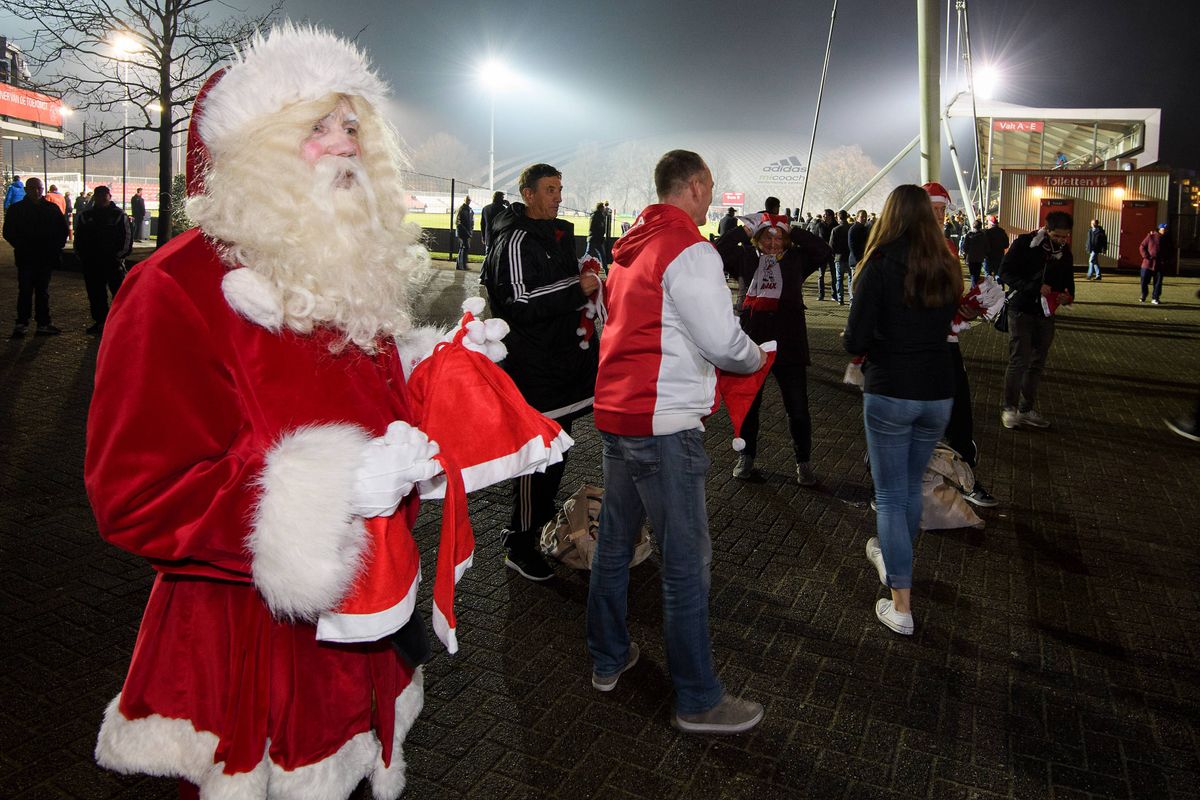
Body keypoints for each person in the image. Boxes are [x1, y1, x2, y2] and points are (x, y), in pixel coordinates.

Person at [84, 25, 484, 798]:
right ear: (256, 151)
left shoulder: (338, 271)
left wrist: (447, 375)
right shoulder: (174, 287)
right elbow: (137, 494)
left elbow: (372, 419)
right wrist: (324, 493)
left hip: (366, 644)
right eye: (316, 127)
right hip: (245, 660)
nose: (345, 146)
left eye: (354, 127)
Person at [589, 149, 766, 734]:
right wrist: (753, 356)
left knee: (615, 546)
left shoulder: (629, 249)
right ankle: (696, 697)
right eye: (710, 186)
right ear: (692, 185)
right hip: (663, 423)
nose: (713, 197)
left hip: (620, 415)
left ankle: (609, 658)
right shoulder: (689, 248)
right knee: (686, 564)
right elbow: (720, 339)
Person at [844, 184, 963, 636]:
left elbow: (855, 340)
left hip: (892, 390)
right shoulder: (947, 264)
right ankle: (897, 556)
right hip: (938, 391)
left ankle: (902, 604)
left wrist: (869, 346)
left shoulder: (878, 264)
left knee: (892, 496)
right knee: (910, 486)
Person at [481, 163, 600, 581]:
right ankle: (519, 542)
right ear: (528, 194)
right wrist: (575, 287)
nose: (558, 197)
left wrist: (583, 272)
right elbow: (516, 300)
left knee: (557, 452)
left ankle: (537, 527)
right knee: (539, 456)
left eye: (560, 189)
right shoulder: (513, 239)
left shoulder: (557, 234)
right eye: (550, 189)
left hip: (560, 366)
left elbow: (561, 285)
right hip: (534, 369)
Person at [716, 211, 831, 486]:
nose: (773, 242)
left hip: (789, 344)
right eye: (767, 236)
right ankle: (746, 456)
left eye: (779, 237)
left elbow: (824, 251)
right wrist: (743, 231)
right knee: (749, 405)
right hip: (752, 342)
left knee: (798, 408)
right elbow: (717, 251)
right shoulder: (744, 257)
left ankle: (803, 461)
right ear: (757, 238)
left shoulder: (796, 260)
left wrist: (794, 230)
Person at [924, 183, 996, 507]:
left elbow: (950, 291)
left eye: (942, 210)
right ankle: (885, 487)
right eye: (933, 209)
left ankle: (966, 478)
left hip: (946, 341)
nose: (939, 216)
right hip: (915, 346)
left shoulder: (950, 247)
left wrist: (964, 306)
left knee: (959, 412)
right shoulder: (902, 246)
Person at [999, 211, 1075, 430]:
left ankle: (1026, 408)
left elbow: (1068, 282)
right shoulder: (1025, 244)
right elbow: (1005, 272)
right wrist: (1033, 287)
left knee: (1037, 363)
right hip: (1021, 309)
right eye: (1058, 235)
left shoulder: (1065, 252)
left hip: (1046, 313)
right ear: (1046, 229)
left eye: (1065, 236)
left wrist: (1067, 295)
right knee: (1019, 360)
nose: (1062, 240)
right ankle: (1009, 408)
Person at [3, 176, 67, 337]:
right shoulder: (21, 209)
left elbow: (62, 231)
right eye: (33, 188)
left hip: (38, 256)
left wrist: (53, 247)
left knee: (40, 291)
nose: (37, 191)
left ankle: (34, 323)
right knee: (27, 291)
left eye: (39, 188)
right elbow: (9, 232)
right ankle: (29, 323)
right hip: (30, 256)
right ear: (26, 189)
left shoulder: (21, 209)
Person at [74, 185, 132, 335]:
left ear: (109, 196)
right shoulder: (86, 216)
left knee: (118, 293)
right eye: (99, 196)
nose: (102, 198)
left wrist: (118, 257)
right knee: (95, 294)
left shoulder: (119, 215)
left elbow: (126, 238)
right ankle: (101, 322)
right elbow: (79, 238)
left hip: (113, 263)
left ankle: (120, 322)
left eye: (104, 195)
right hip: (92, 263)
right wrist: (83, 256)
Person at [1138, 222, 1172, 304]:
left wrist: (1167, 260)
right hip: (1147, 263)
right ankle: (1144, 294)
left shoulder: (1167, 239)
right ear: (1159, 229)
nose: (1165, 231)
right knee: (1144, 280)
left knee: (1158, 282)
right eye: (1163, 229)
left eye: (1166, 229)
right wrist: (1146, 256)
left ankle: (1155, 297)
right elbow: (1142, 246)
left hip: (1160, 264)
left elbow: (1170, 250)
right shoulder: (1151, 236)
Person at [829, 209, 852, 304]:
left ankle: (840, 298)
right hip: (850, 257)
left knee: (839, 279)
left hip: (839, 257)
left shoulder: (835, 230)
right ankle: (851, 298)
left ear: (838, 217)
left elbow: (831, 245)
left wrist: (833, 255)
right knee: (851, 279)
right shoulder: (851, 228)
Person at [813, 208, 836, 300]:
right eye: (823, 215)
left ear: (830, 216)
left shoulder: (835, 226)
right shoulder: (819, 225)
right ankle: (821, 294)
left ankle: (834, 295)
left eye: (825, 215)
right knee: (821, 275)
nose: (823, 217)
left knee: (834, 275)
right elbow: (814, 237)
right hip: (822, 253)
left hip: (832, 253)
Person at [480, 190, 507, 256]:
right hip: (499, 237)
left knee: (487, 256)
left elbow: (482, 224)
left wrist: (483, 236)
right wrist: (508, 206)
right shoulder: (502, 209)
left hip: (488, 237)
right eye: (502, 198)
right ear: (500, 199)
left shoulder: (485, 208)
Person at [962, 218, 987, 287]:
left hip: (971, 257)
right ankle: (974, 287)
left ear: (973, 226)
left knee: (973, 274)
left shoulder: (969, 235)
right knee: (977, 274)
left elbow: (965, 247)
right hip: (980, 257)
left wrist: (966, 253)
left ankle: (973, 288)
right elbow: (986, 247)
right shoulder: (983, 236)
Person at [983, 215, 1008, 281]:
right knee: (999, 274)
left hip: (989, 257)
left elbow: (984, 245)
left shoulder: (987, 232)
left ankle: (988, 290)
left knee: (988, 274)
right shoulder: (1002, 232)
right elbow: (1006, 245)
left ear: (990, 223)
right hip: (999, 256)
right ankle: (1000, 289)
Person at [455, 194, 473, 270]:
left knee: (463, 248)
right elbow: (457, 222)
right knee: (464, 247)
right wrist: (466, 231)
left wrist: (470, 230)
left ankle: (460, 265)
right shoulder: (461, 209)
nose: (468, 201)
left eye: (469, 200)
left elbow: (471, 221)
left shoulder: (469, 209)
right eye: (467, 200)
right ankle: (462, 266)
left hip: (466, 232)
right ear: (464, 200)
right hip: (462, 232)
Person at [588, 200, 609, 266]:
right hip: (595, 239)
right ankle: (582, 266)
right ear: (600, 208)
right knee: (589, 254)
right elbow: (593, 228)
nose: (603, 209)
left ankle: (605, 269)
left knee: (601, 255)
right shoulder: (596, 216)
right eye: (603, 207)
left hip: (596, 239)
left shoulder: (599, 216)